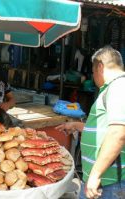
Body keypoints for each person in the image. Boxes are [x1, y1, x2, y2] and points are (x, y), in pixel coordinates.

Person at [56, 46, 125, 199]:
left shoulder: (119, 87)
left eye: (93, 72)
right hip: (103, 182)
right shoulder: (114, 88)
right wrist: (77, 126)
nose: (93, 78)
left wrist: (95, 174)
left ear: (100, 67)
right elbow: (105, 129)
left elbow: (118, 134)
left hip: (109, 184)